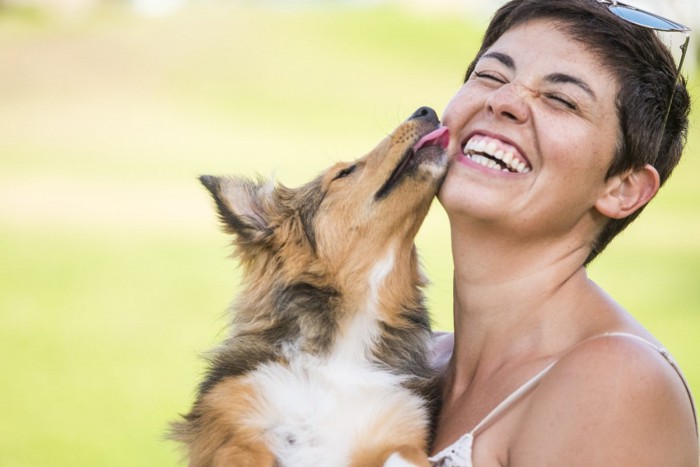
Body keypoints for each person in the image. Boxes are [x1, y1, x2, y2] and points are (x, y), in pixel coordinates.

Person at [429, 0, 699, 465]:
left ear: (623, 188)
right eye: (492, 75)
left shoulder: (614, 381)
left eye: (561, 99)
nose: (504, 101)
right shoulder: (416, 362)